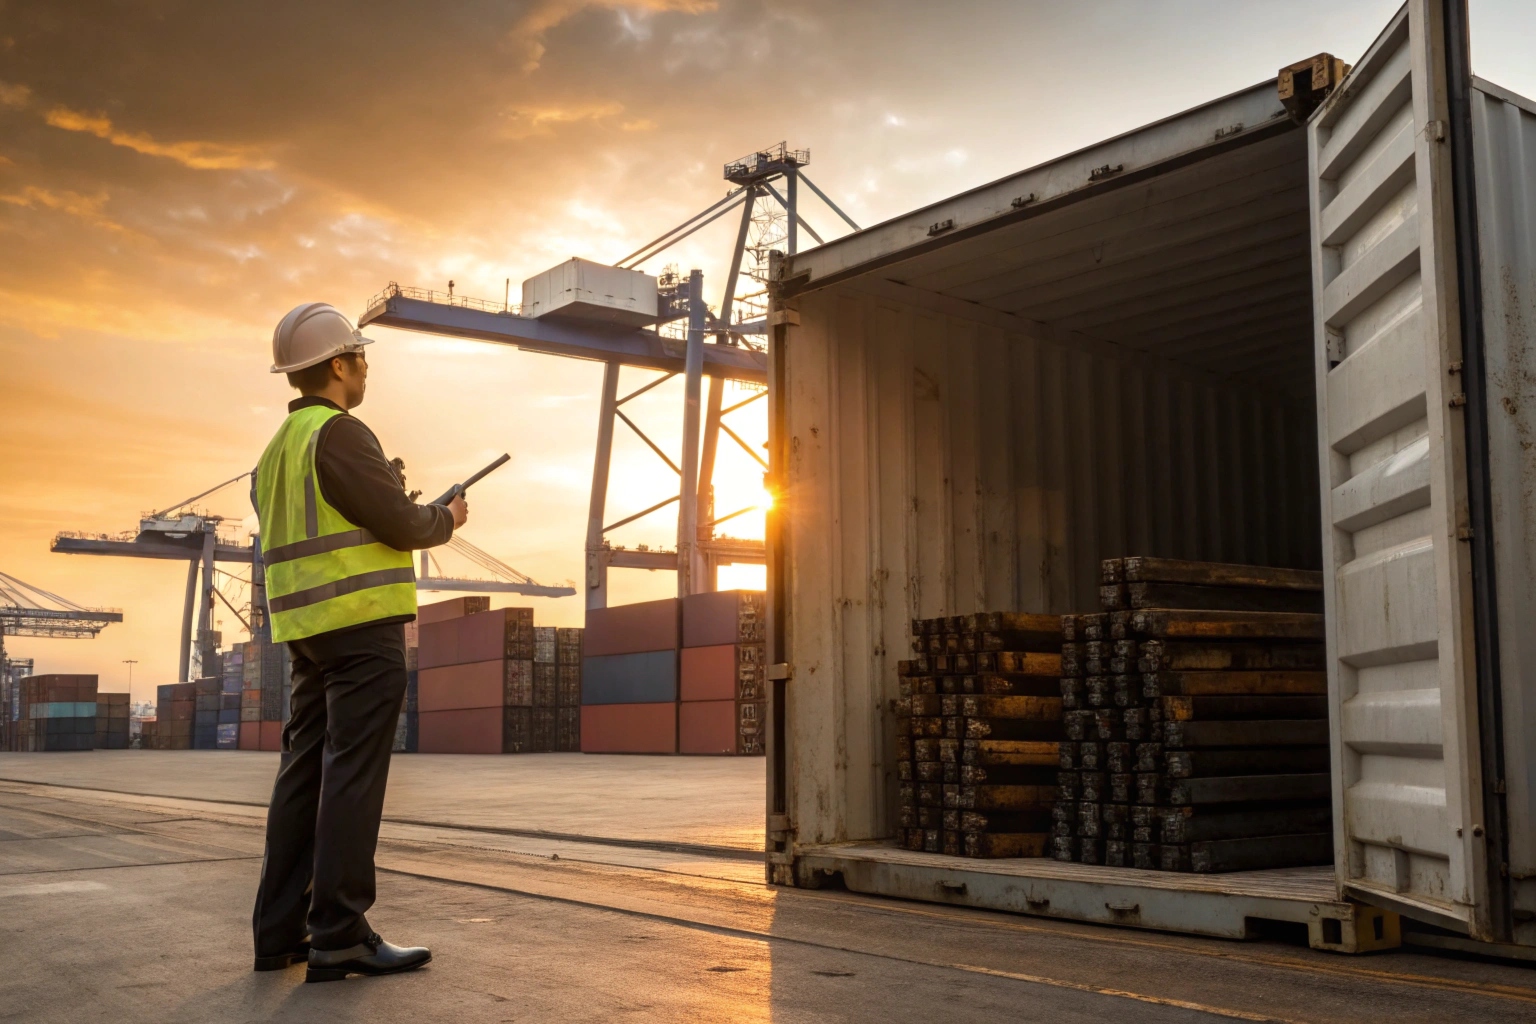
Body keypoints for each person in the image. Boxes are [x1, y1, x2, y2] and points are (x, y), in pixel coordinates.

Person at [250, 302, 467, 983]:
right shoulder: (340, 433)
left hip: (305, 634)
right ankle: (340, 933)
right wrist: (446, 517)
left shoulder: (275, 451)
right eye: (361, 357)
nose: (367, 368)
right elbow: (399, 522)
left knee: (303, 770)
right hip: (361, 627)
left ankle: (279, 933)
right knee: (352, 773)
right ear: (339, 365)